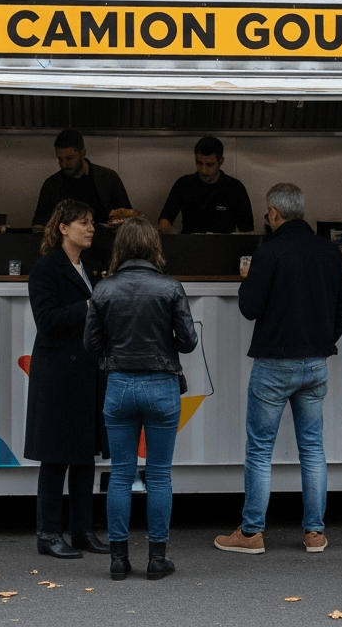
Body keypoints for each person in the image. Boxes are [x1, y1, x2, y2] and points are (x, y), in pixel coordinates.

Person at [214, 183, 342, 555]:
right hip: (315, 364)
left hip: (273, 365)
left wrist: (248, 281)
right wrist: (321, 341)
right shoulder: (330, 252)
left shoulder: (268, 252)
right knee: (313, 448)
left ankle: (252, 533)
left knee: (260, 450)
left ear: (274, 213)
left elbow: (250, 308)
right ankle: (314, 533)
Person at [84, 217, 198, 581]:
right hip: (162, 387)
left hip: (118, 386)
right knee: (159, 475)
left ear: (120, 248)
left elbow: (90, 343)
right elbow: (188, 342)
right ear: (153, 247)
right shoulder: (170, 287)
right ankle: (156, 559)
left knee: (121, 474)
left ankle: (118, 559)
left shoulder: (103, 289)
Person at [24, 199, 110, 559]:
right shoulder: (46, 269)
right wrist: (89, 306)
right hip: (59, 371)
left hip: (87, 369)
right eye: (83, 223)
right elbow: (46, 320)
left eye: (91, 222)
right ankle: (47, 534)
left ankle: (82, 531)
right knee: (56, 456)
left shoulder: (89, 268)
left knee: (84, 455)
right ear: (63, 228)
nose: (91, 228)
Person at [31, 129, 132, 228]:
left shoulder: (108, 178)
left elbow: (129, 220)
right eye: (60, 159)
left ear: (83, 153)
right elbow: (39, 225)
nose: (64, 164)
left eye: (70, 158)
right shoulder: (51, 185)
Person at [157, 136, 255, 234]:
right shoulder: (183, 184)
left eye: (210, 165)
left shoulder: (235, 188)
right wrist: (173, 235)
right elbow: (165, 220)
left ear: (221, 162)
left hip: (224, 242)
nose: (203, 170)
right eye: (199, 163)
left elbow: (246, 229)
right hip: (189, 242)